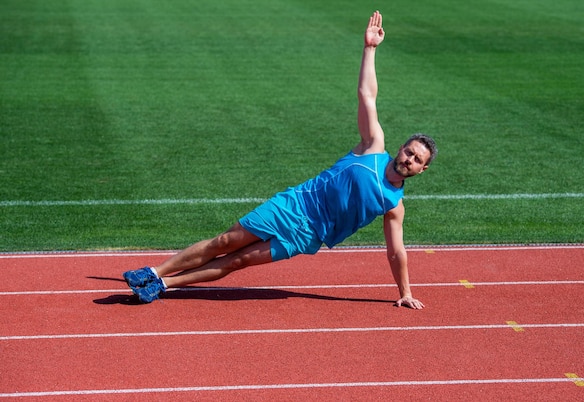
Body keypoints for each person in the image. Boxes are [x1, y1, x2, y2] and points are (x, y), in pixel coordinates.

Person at [123, 11, 438, 309]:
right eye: (409, 151)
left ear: (422, 170)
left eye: (417, 159)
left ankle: (164, 285)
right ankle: (154, 271)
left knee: (238, 261)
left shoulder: (393, 205)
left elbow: (396, 252)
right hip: (294, 205)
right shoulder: (372, 147)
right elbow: (367, 96)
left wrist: (405, 292)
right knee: (225, 241)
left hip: (307, 234)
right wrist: (369, 49)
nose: (409, 159)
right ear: (400, 148)